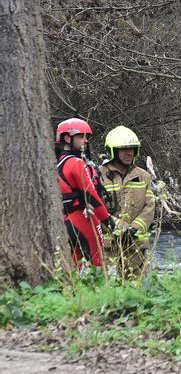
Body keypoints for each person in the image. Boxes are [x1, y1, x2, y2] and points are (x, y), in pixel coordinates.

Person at [55, 118, 115, 269]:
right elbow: (91, 196)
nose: (85, 141)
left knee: (72, 267)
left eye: (86, 137)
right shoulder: (76, 163)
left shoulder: (58, 163)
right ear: (67, 138)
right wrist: (108, 221)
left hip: (67, 220)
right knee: (98, 266)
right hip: (84, 220)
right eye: (81, 136)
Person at [98, 126, 157, 279]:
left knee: (137, 292)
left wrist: (133, 229)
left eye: (132, 148)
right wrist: (120, 228)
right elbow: (96, 208)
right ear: (112, 151)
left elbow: (149, 207)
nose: (129, 153)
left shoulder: (143, 176)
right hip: (108, 249)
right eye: (123, 149)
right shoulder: (99, 175)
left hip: (136, 248)